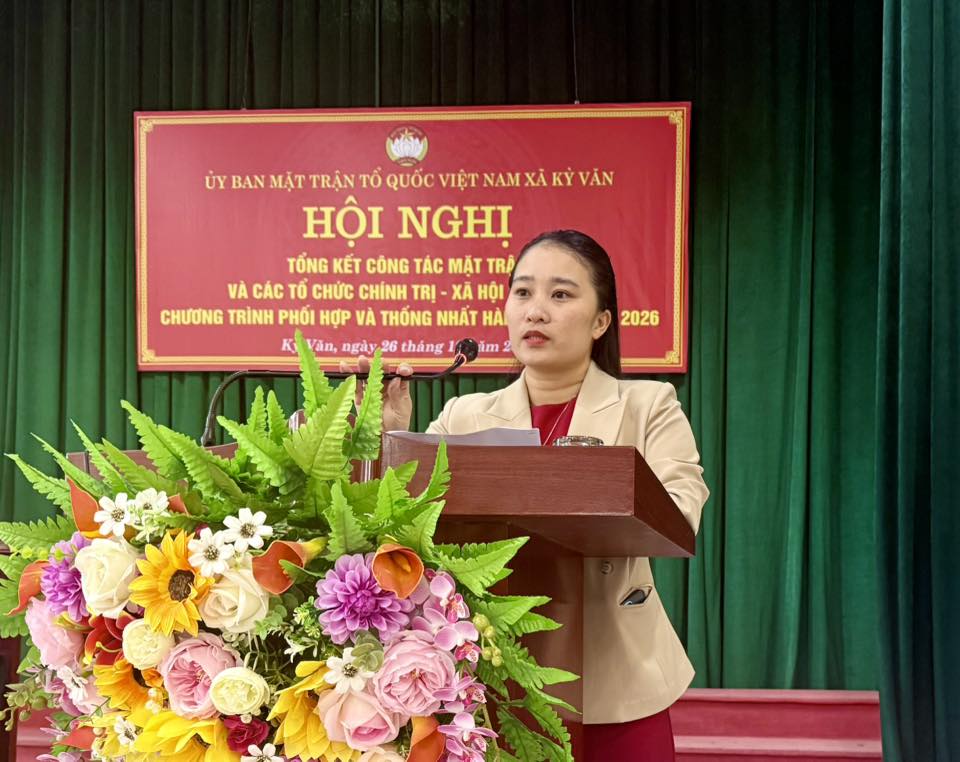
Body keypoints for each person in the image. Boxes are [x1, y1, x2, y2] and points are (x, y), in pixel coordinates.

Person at [345, 229, 709, 761]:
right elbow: (397, 528)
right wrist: (387, 438)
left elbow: (681, 514)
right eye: (523, 292)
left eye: (560, 294)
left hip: (615, 676)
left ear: (601, 321)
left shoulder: (647, 405)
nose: (535, 310)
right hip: (489, 676)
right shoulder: (465, 415)